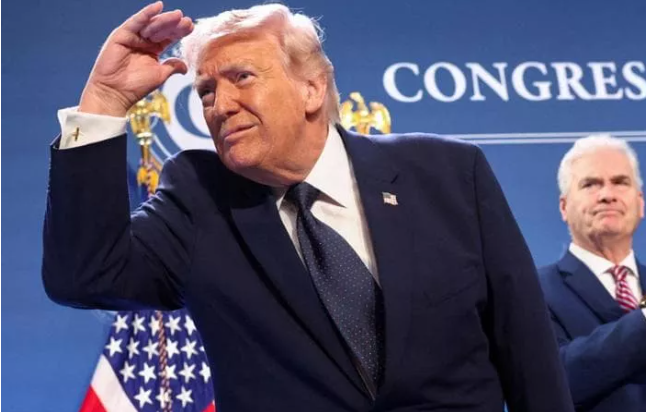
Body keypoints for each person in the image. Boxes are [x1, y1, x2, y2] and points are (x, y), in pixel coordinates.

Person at [42, 2, 574, 411]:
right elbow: (86, 276)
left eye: (241, 78)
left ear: (312, 88)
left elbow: (527, 350)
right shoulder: (199, 200)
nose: (220, 105)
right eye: (205, 92)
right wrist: (104, 102)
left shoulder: (448, 174)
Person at [538, 135, 646, 411]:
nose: (608, 194)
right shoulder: (536, 290)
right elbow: (550, 380)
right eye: (591, 184)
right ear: (564, 207)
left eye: (620, 182)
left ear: (640, 203)